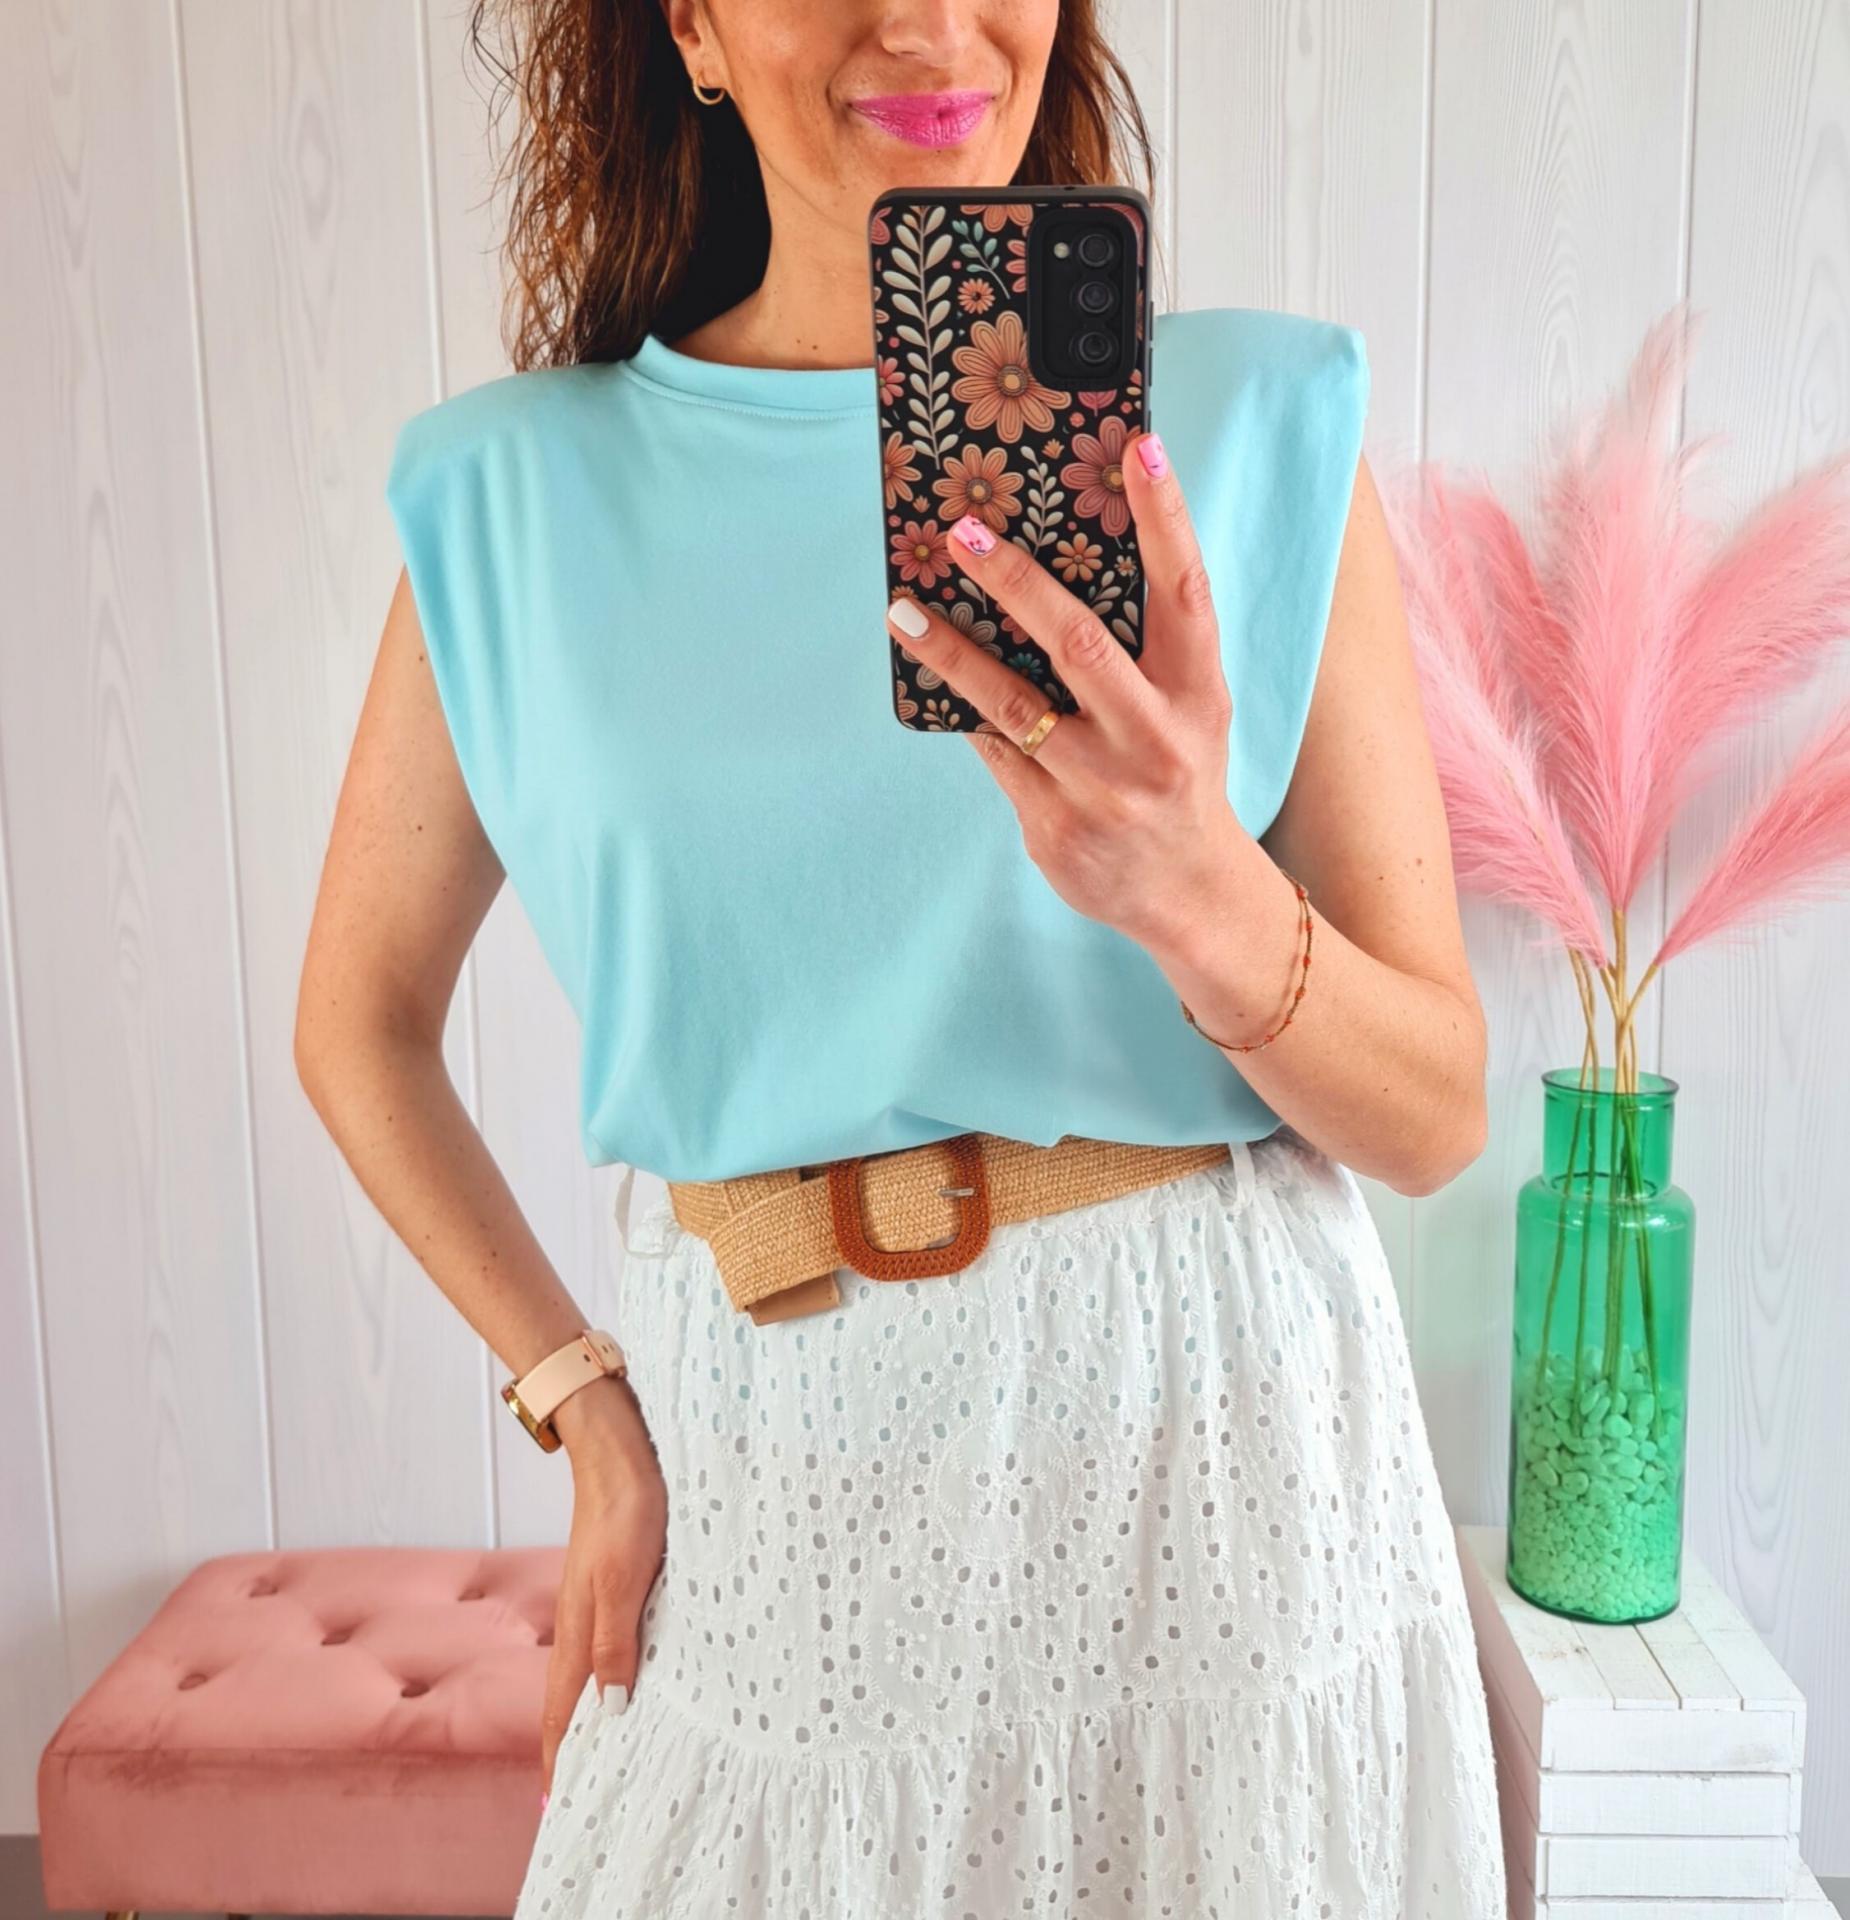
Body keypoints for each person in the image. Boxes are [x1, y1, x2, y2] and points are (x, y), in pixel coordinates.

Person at [294, 0, 1509, 1912]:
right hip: (773, 1472)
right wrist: (579, 1400)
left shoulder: (1257, 423)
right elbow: (358, 1024)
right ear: (692, 26)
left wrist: (1196, 885)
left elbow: (1433, 1116)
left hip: (1224, 1461)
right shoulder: (510, 498)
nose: (931, 25)